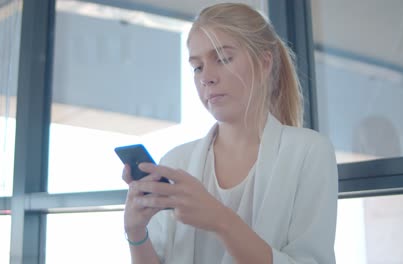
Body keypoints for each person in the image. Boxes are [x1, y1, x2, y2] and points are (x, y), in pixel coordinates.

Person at [122, 3, 338, 264]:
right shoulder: (175, 163)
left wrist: (220, 220)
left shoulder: (309, 152)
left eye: (223, 59)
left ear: (264, 62)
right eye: (197, 67)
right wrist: (136, 233)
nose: (207, 78)